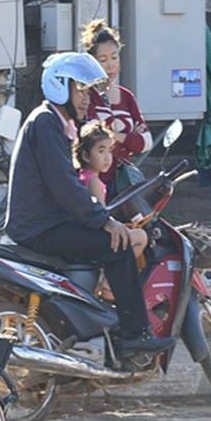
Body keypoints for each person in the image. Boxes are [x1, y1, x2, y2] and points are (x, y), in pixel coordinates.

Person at [5, 51, 174, 357]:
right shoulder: (46, 124)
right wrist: (104, 221)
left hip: (47, 222)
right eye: (80, 89)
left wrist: (100, 215)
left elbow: (67, 189)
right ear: (59, 86)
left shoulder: (56, 125)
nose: (86, 98)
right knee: (119, 245)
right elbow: (66, 187)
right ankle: (133, 335)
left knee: (113, 235)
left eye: (88, 90)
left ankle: (101, 322)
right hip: (39, 228)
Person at [74, 120, 149, 300]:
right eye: (101, 151)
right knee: (141, 237)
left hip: (83, 233)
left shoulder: (82, 177)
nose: (107, 157)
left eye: (109, 151)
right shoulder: (93, 181)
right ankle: (108, 282)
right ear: (85, 155)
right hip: (94, 236)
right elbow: (100, 215)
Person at [81, 20, 152, 192]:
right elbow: (89, 139)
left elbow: (146, 142)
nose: (111, 65)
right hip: (94, 181)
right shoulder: (85, 95)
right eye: (103, 59)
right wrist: (129, 138)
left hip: (123, 179)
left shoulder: (127, 96)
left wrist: (115, 136)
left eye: (114, 57)